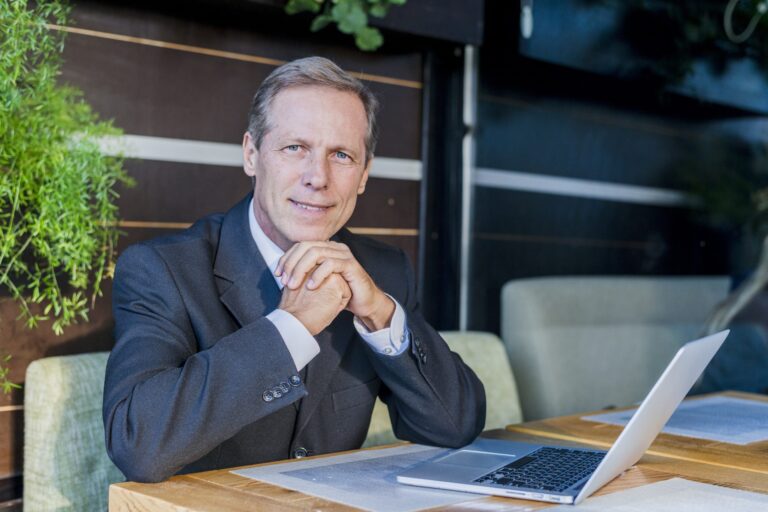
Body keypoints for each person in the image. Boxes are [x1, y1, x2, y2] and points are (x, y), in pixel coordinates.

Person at [103, 56, 486, 483]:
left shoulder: (381, 271)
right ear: (252, 154)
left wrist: (379, 313)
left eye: (341, 155)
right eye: (295, 148)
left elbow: (454, 425)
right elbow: (139, 446)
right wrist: (292, 325)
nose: (317, 177)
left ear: (363, 175)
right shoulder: (162, 270)